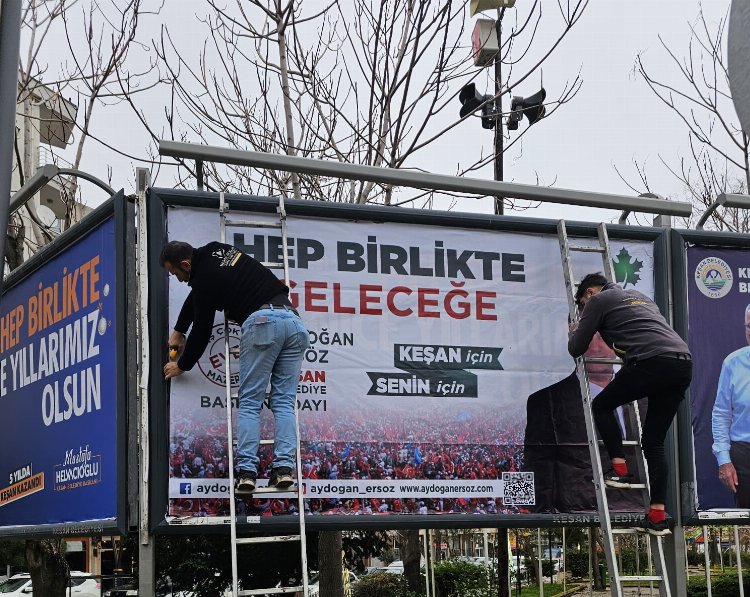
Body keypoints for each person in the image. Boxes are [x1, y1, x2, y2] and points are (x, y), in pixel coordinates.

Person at [161, 240, 309, 493]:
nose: (178, 279)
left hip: (262, 322)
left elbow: (204, 327)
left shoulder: (205, 278)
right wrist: (178, 330)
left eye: (176, 273)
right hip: (294, 323)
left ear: (186, 264)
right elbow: (197, 295)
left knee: (251, 401)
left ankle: (248, 472)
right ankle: (283, 469)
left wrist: (182, 365)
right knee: (284, 402)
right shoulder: (215, 250)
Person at [568, 272, 692, 535]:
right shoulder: (640, 297)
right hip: (681, 364)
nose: (583, 310)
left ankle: (619, 468)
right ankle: (657, 516)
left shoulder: (599, 300)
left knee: (601, 406)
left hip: (651, 361)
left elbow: (577, 348)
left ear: (590, 293)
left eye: (581, 305)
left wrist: (574, 332)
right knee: (653, 442)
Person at [524, 333, 642, 513]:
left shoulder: (644, 397)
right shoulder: (545, 400)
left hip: (637, 503)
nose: (595, 348)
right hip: (576, 507)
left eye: (603, 338)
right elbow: (538, 468)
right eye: (587, 339)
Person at [712, 304, 750, 508]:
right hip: (744, 454)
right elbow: (721, 414)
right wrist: (723, 460)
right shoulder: (732, 363)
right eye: (749, 326)